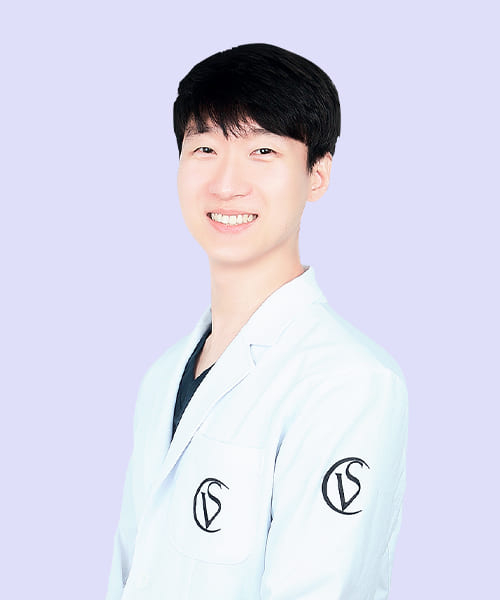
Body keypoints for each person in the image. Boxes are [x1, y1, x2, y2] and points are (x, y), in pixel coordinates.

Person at [105, 43, 408, 600]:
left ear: (317, 175)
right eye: (204, 148)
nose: (226, 183)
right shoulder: (162, 378)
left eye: (262, 150)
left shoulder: (348, 383)